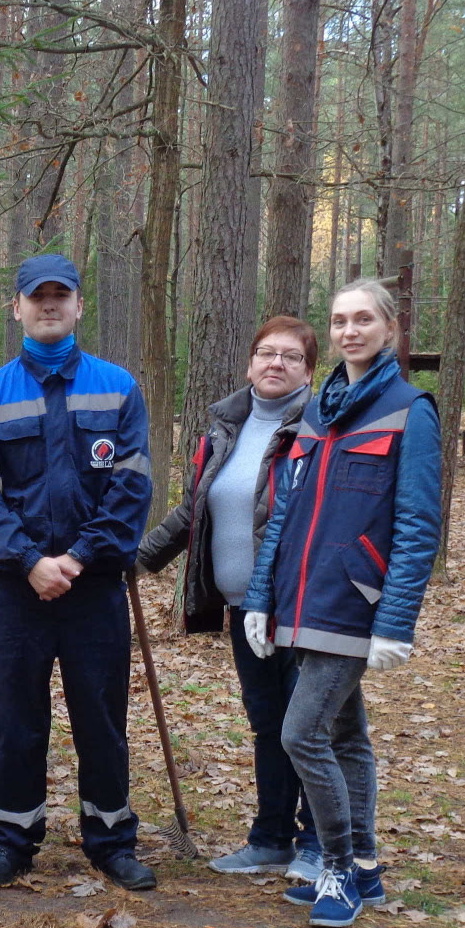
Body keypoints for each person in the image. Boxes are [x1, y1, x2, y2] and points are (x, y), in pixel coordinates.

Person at [242, 279, 442, 928]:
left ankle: (336, 869)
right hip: (303, 603)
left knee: (300, 734)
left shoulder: (410, 411)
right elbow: (283, 514)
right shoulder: (318, 411)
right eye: (339, 320)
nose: (350, 331)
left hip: (354, 607)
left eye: (362, 319)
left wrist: (395, 621)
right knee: (347, 737)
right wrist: (259, 598)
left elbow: (417, 525)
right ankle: (367, 864)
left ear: (389, 328)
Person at [0, 253, 157, 890]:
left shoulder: (118, 387)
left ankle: (111, 839)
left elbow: (130, 489)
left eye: (60, 296)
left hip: (93, 588)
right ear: (15, 307)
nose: (48, 306)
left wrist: (74, 559)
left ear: (77, 306)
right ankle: (12, 837)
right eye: (35, 297)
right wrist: (29, 561)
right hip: (17, 592)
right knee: (17, 720)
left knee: (100, 717)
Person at [138, 315, 321, 879]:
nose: (276, 364)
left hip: (302, 605)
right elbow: (197, 506)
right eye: (266, 352)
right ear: (249, 363)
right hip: (245, 610)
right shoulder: (228, 427)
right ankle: (271, 839)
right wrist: (140, 556)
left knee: (309, 727)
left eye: (291, 356)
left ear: (309, 370)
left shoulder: (319, 428)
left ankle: (319, 844)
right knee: (268, 722)